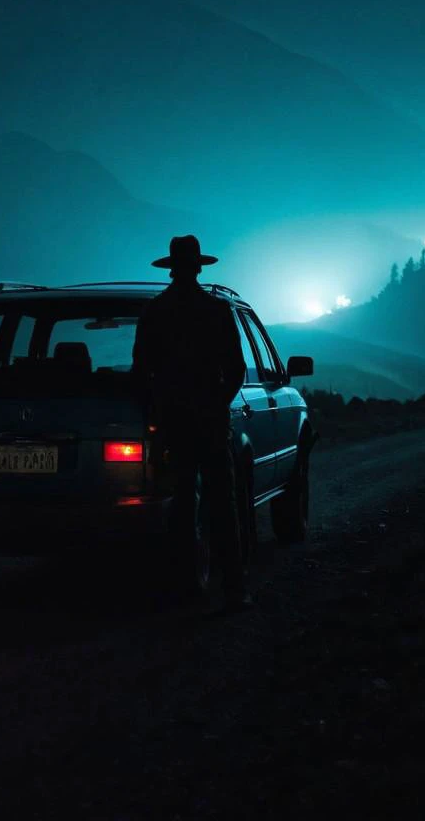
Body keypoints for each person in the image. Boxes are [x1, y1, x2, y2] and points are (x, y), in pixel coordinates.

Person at [132, 235, 252, 613]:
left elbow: (141, 371)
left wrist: (157, 412)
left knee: (183, 507)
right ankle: (233, 589)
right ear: (199, 267)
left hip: (175, 424)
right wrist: (217, 404)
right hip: (212, 423)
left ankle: (188, 589)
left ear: (171, 268)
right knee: (223, 505)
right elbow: (236, 369)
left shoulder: (155, 312)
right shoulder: (217, 311)